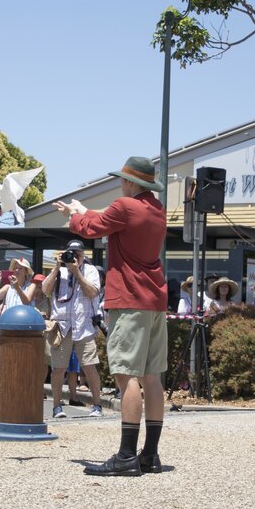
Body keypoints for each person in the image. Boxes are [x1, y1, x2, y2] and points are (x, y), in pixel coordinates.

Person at [56, 155, 167, 477]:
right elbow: (107, 220)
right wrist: (83, 212)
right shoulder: (156, 211)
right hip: (154, 299)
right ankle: (151, 455)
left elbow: (90, 228)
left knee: (125, 374)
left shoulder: (125, 206)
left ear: (131, 182)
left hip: (129, 298)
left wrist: (75, 215)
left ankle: (127, 457)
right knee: (152, 376)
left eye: (123, 179)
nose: (120, 183)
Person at [42, 240, 104, 419]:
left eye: (78, 253)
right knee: (58, 369)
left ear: (84, 255)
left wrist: (76, 271)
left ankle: (97, 405)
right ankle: (56, 407)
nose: (74, 256)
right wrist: (56, 267)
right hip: (62, 327)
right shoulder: (59, 271)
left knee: (90, 367)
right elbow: (45, 289)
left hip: (83, 326)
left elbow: (93, 292)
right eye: (71, 253)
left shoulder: (90, 270)